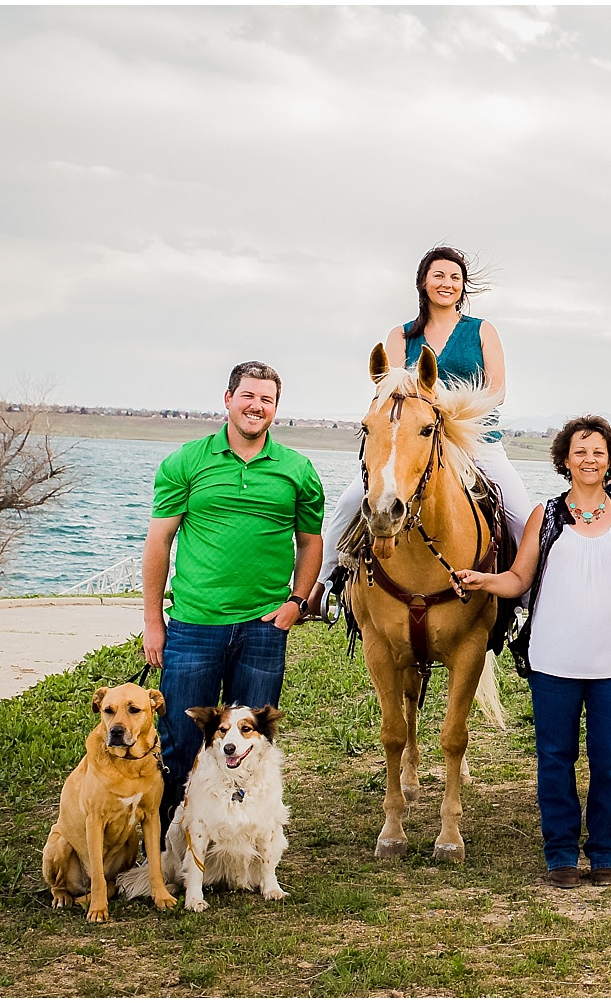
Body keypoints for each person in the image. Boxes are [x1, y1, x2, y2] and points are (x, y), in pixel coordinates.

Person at [457, 416, 611, 889]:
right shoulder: (544, 516)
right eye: (580, 452)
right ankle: (561, 852)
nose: (589, 460)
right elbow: (519, 579)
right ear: (565, 460)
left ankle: (605, 850)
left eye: (598, 452)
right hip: (553, 661)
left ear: (610, 461)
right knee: (555, 758)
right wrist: (484, 580)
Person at [142, 360, 325, 832]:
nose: (256, 406)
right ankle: (168, 847)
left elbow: (310, 542)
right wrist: (153, 622)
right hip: (194, 626)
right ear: (228, 399)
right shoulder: (186, 462)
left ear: (276, 408)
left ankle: (237, 845)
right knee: (181, 744)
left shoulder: (298, 470)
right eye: (248, 396)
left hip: (263, 631)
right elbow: (159, 541)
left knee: (251, 748)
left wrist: (297, 602)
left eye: (267, 399)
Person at [305, 246, 531, 615]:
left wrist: (441, 403)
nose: (447, 283)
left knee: (522, 515)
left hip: (474, 441)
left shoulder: (482, 330)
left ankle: (528, 600)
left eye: (455, 277)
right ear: (423, 282)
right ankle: (323, 588)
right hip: (414, 440)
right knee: (348, 503)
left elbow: (497, 391)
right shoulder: (401, 335)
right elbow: (391, 387)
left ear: (463, 286)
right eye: (439, 275)